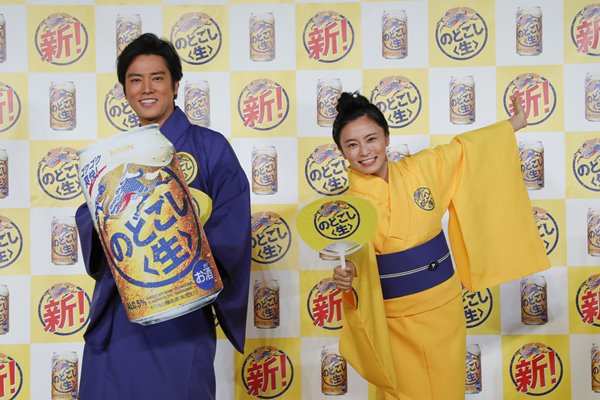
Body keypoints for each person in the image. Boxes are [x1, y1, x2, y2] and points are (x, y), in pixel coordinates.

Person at [331, 92, 550, 400]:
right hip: (393, 318)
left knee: (447, 390)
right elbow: (355, 262)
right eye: (352, 145)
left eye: (371, 139)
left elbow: (464, 150)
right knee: (401, 393)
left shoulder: (422, 168)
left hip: (443, 307)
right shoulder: (350, 208)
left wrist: (515, 123)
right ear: (342, 151)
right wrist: (346, 275)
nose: (365, 151)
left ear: (387, 137)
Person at [75, 33, 251, 399]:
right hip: (123, 310)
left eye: (157, 77)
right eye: (135, 80)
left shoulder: (210, 147)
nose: (146, 88)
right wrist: (103, 218)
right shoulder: (115, 156)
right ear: (124, 91)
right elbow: (90, 216)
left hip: (182, 310)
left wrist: (182, 245)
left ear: (175, 85)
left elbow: (233, 221)